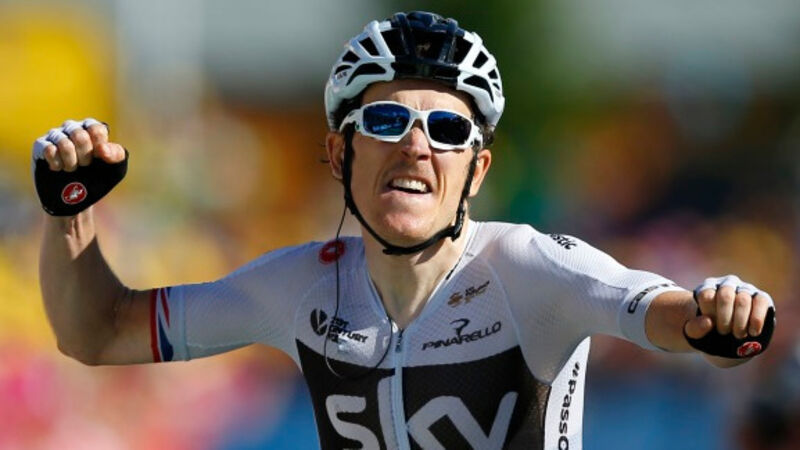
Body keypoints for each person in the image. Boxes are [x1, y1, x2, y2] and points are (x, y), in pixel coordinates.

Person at [33, 11, 776, 450]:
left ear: (476, 171)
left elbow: (670, 315)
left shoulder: (531, 269)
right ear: (338, 154)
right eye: (387, 121)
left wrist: (720, 316)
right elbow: (97, 333)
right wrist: (70, 211)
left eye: (447, 130)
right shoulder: (298, 285)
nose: (417, 147)